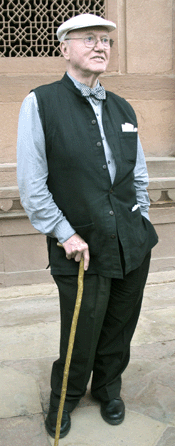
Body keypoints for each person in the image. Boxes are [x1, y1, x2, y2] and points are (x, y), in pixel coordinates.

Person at [17, 13, 158, 439]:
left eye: (107, 41)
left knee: (120, 324)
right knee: (82, 328)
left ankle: (109, 388)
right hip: (81, 245)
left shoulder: (123, 106)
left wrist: (143, 216)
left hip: (132, 240)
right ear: (65, 48)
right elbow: (32, 184)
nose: (101, 47)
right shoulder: (40, 102)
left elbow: (138, 171)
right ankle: (66, 397)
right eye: (90, 39)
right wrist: (65, 233)